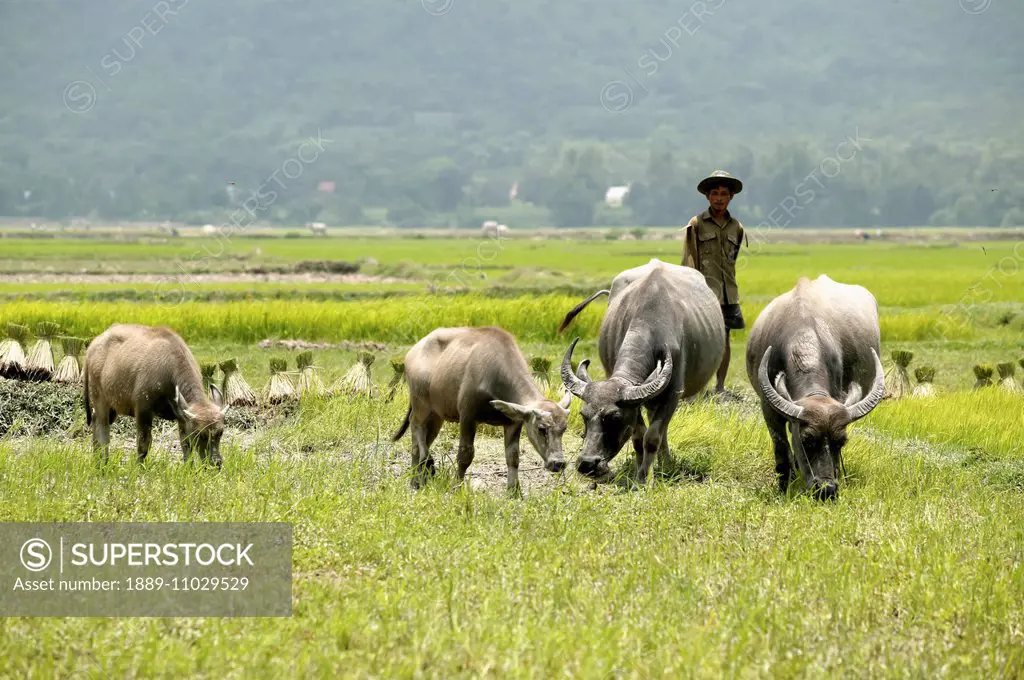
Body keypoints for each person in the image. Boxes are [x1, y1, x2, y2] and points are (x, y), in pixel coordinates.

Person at [682, 170, 747, 397]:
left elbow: (734, 260)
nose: (719, 198)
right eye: (715, 194)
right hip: (702, 293)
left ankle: (720, 387)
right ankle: (695, 387)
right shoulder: (696, 224)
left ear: (731, 197)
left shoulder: (736, 228)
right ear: (707, 197)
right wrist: (691, 291)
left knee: (724, 340)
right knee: (697, 340)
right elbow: (689, 259)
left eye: (724, 194)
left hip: (727, 294)